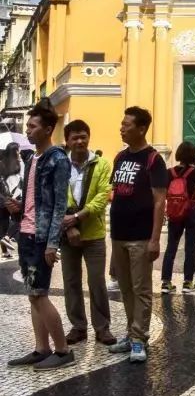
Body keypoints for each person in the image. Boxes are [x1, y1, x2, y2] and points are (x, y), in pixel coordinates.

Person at [6, 100, 74, 371]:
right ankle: (41, 348)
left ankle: (63, 350)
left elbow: (59, 204)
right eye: (27, 126)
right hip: (26, 231)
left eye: (32, 126)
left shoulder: (57, 159)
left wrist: (52, 243)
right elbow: (36, 199)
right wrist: (19, 208)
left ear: (47, 129)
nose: (28, 130)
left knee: (40, 294)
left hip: (41, 236)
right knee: (33, 294)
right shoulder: (32, 158)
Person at [107, 106, 168, 363]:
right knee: (125, 289)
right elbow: (115, 191)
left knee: (141, 289)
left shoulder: (154, 159)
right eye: (121, 123)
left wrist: (155, 239)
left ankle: (139, 339)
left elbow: (159, 201)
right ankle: (132, 333)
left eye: (126, 124)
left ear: (141, 129)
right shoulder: (120, 157)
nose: (121, 127)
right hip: (119, 234)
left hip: (141, 236)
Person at [60, 119, 116, 346]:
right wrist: (70, 225)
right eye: (75, 137)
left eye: (83, 136)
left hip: (94, 233)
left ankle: (102, 328)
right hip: (67, 234)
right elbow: (59, 195)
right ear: (68, 141)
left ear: (89, 138)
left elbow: (103, 195)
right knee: (71, 281)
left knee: (97, 282)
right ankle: (78, 326)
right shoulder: (61, 165)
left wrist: (78, 216)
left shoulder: (101, 164)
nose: (80, 141)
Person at [161, 141, 195, 292]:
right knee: (190, 248)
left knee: (171, 247)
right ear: (193, 155)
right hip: (191, 212)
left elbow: (163, 192)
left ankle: (166, 283)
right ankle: (188, 283)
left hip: (174, 212)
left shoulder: (170, 172)